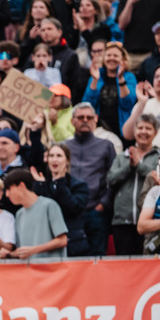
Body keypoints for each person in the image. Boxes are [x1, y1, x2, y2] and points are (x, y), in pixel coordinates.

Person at [65, 103, 116, 256]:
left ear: (96, 120)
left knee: (97, 257)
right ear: (72, 121)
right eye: (80, 117)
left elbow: (113, 178)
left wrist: (103, 204)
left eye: (89, 117)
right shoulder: (64, 147)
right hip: (70, 211)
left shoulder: (106, 146)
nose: (85, 120)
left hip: (96, 211)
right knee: (71, 257)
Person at [108, 114, 160, 255]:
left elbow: (159, 178)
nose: (143, 132)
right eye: (140, 128)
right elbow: (110, 180)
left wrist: (138, 165)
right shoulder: (122, 156)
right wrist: (130, 166)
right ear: (134, 131)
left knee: (147, 264)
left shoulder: (159, 156)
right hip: (122, 220)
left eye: (148, 128)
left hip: (149, 220)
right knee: (124, 265)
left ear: (155, 132)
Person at [32, 144, 90, 256]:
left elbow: (73, 208)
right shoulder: (43, 184)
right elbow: (42, 211)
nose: (54, 159)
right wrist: (41, 186)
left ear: (67, 161)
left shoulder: (79, 185)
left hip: (72, 243)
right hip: (47, 241)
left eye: (59, 156)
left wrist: (60, 183)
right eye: (51, 156)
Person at [0, 169, 68, 261]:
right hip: (30, 273)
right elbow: (23, 251)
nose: (7, 194)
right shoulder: (19, 214)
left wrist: (33, 250)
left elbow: (62, 240)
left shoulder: (49, 205)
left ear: (21, 186)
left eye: (9, 189)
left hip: (53, 272)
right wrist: (10, 254)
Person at [83, 42, 137, 138]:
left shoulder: (129, 77)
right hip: (100, 130)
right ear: (104, 58)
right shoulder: (97, 75)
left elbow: (128, 103)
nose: (112, 58)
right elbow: (87, 104)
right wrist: (95, 80)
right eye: (108, 55)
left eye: (115, 55)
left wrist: (120, 79)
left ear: (123, 59)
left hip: (121, 129)